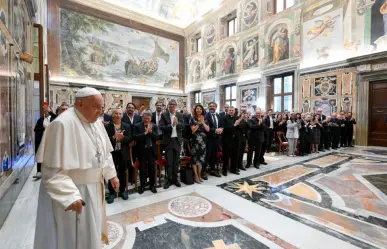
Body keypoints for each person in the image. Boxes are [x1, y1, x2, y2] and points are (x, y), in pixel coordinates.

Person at [34, 87, 119, 249]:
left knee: (91, 234)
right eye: (97, 107)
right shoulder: (62, 124)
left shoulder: (96, 123)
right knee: (74, 238)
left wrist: (112, 175)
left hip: (94, 188)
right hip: (74, 192)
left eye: (102, 108)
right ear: (80, 104)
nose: (101, 112)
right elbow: (51, 170)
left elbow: (104, 153)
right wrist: (70, 196)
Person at [104, 108, 131, 203]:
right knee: (111, 173)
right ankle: (112, 193)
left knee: (122, 172)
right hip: (112, 154)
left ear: (122, 115)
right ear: (112, 115)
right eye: (116, 113)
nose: (118, 115)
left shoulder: (126, 126)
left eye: (120, 114)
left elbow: (130, 138)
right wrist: (114, 137)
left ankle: (123, 191)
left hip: (122, 152)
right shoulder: (108, 127)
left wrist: (122, 138)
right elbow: (104, 140)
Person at [159, 99, 184, 189]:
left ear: (176, 106)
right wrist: (172, 125)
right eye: (170, 104)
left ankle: (175, 179)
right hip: (168, 141)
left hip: (177, 141)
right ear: (168, 106)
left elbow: (183, 126)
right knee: (169, 162)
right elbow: (161, 127)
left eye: (174, 104)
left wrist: (177, 124)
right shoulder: (164, 115)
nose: (172, 106)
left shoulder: (179, 115)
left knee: (176, 161)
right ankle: (168, 180)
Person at [133, 111, 158, 194]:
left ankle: (152, 185)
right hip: (142, 151)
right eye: (145, 118)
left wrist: (150, 132)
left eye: (148, 118)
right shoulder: (137, 126)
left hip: (151, 150)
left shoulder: (154, 126)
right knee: (142, 169)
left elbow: (156, 137)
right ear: (142, 117)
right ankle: (142, 185)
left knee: (152, 168)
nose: (147, 120)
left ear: (151, 118)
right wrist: (145, 133)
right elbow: (135, 137)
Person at [33, 104, 57, 179]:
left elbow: (56, 117)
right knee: (40, 154)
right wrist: (44, 129)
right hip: (42, 139)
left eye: (47, 109)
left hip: (52, 140)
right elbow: (36, 129)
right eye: (44, 109)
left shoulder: (53, 118)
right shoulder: (40, 120)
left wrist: (50, 112)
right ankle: (39, 171)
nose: (45, 111)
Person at [190, 104, 210, 183]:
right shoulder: (192, 119)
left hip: (203, 142)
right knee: (195, 159)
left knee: (201, 159)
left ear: (202, 110)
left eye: (200, 109)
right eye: (197, 109)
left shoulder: (205, 118)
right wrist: (198, 123)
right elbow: (193, 130)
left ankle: (199, 175)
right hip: (195, 141)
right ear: (195, 110)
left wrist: (203, 122)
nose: (198, 110)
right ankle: (196, 176)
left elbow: (208, 129)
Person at [205, 102, 223, 178]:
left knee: (214, 155)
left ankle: (212, 170)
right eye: (210, 106)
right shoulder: (206, 116)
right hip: (208, 138)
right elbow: (206, 128)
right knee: (207, 155)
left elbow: (222, 125)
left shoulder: (218, 116)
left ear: (216, 107)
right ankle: (204, 172)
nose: (212, 107)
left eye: (213, 106)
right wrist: (215, 130)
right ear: (209, 107)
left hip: (216, 139)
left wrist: (221, 129)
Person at [222, 106, 240, 175]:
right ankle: (224, 170)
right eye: (230, 110)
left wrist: (238, 124)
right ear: (227, 111)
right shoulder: (224, 118)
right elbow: (225, 128)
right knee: (226, 156)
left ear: (234, 111)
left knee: (235, 155)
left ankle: (233, 169)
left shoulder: (236, 118)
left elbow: (239, 127)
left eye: (232, 110)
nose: (231, 111)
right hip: (227, 139)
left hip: (235, 139)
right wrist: (234, 125)